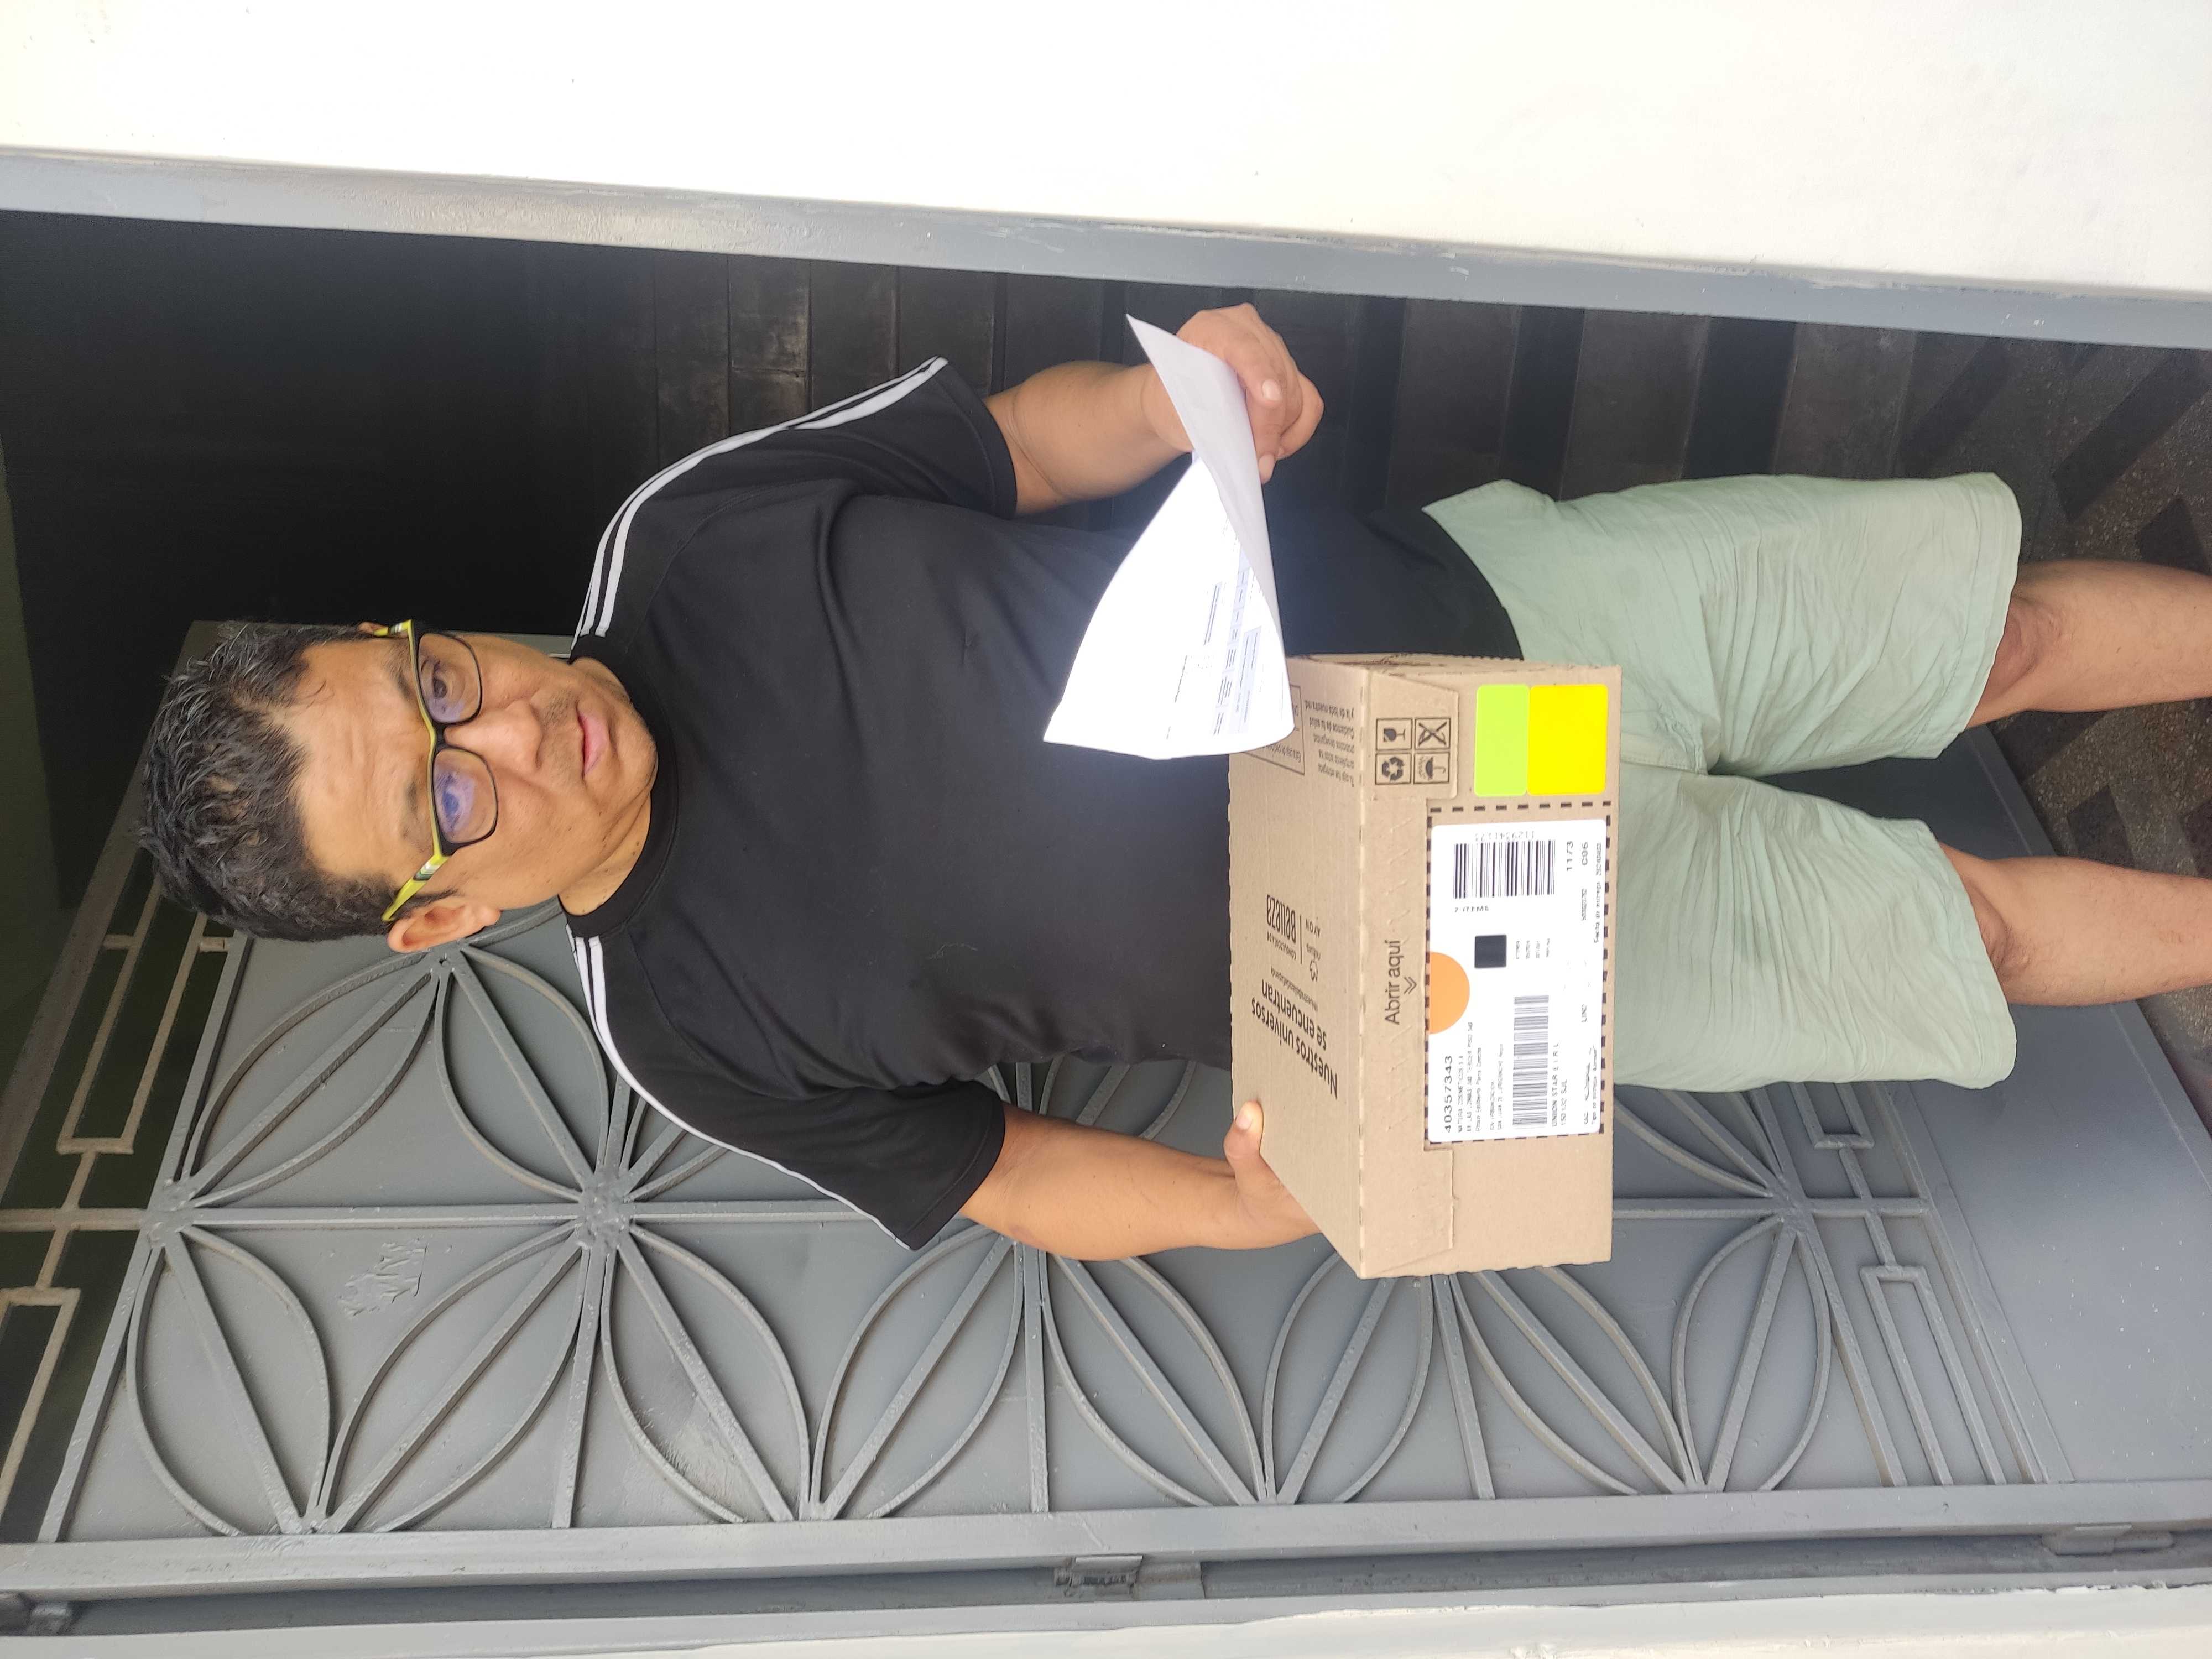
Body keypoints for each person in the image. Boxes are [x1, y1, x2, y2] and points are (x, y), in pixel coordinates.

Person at [135, 304, 2212, 1262]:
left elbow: (1019, 445)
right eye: (449, 797)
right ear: (439, 916)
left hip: (1494, 609)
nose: (511, 727)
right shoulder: (684, 1038)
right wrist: (1238, 1207)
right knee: (1974, 936)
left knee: (1999, 644)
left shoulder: (687, 532)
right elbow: (1007, 1179)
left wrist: (1174, 394)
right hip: (1471, 961)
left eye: (437, 680)